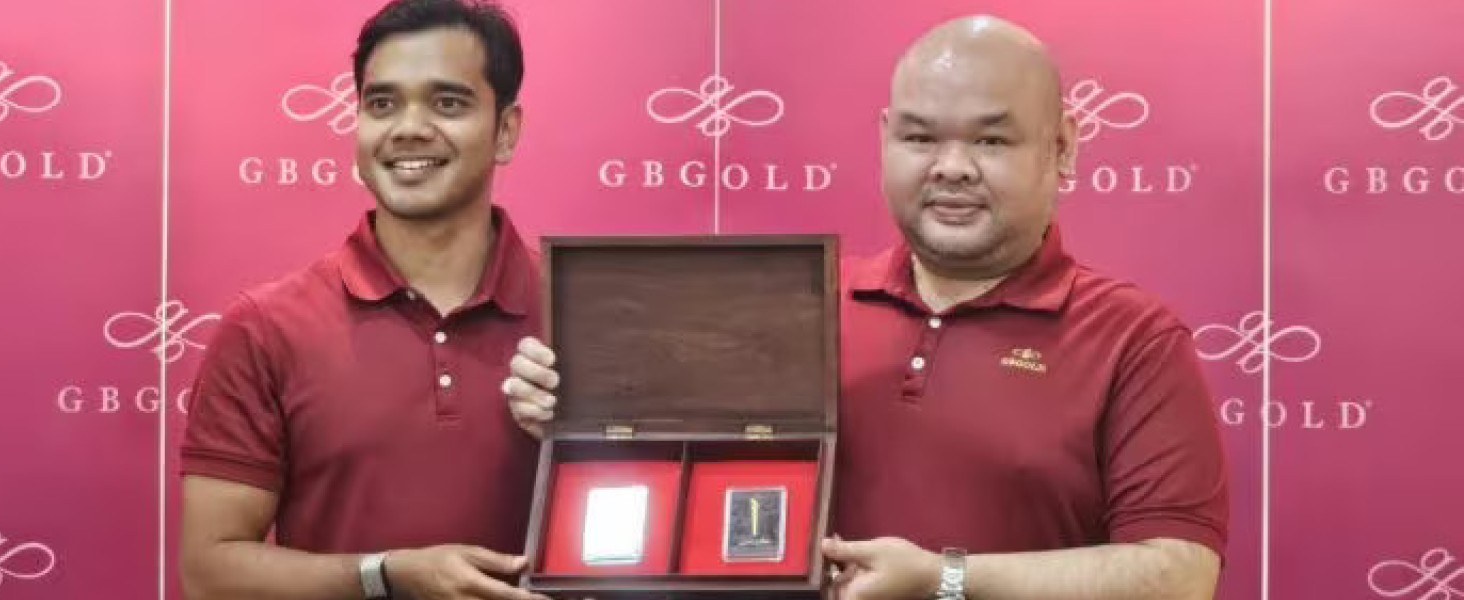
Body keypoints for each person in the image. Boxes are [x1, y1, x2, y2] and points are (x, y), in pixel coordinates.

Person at [503, 15, 1228, 600]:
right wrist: (576, 412)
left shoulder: (1134, 338)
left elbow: (1178, 575)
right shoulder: (803, 310)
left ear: (1061, 146)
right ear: (884, 138)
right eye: (920, 137)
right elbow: (674, 464)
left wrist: (944, 579)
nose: (951, 167)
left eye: (991, 139)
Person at [180, 2, 549, 599]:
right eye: (382, 104)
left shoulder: (585, 316)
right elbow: (209, 574)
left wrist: (591, 435)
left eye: (447, 103)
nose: (408, 127)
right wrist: (386, 575)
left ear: (505, 131)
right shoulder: (265, 328)